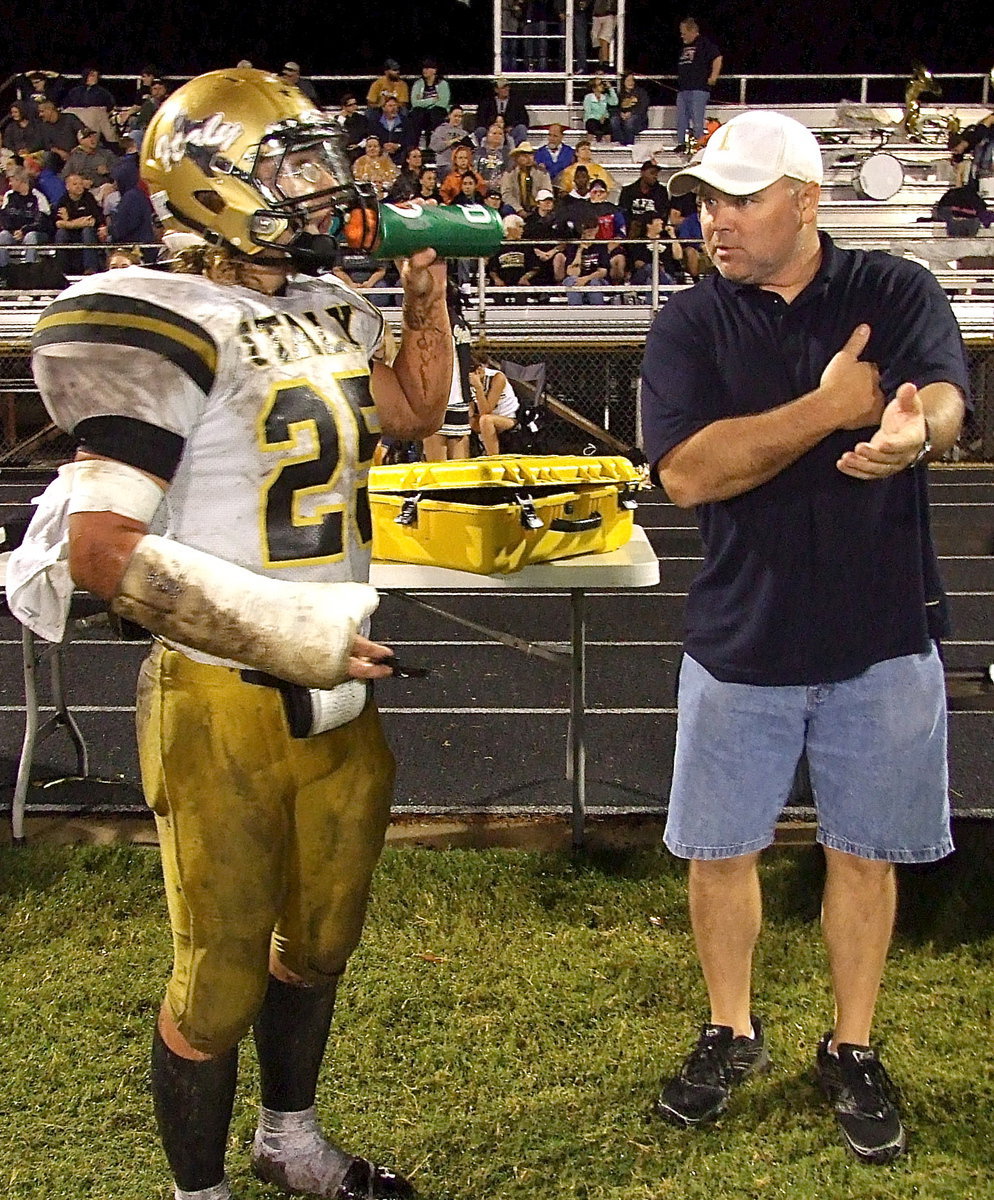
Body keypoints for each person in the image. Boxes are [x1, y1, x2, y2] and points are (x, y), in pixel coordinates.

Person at [10, 67, 451, 1200]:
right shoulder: (157, 317)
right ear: (208, 186)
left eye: (321, 162)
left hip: (338, 682)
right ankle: (194, 1191)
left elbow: (410, 411)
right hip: (221, 693)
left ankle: (288, 1136)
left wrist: (423, 288)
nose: (323, 189)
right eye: (292, 168)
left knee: (323, 941)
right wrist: (278, 632)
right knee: (217, 981)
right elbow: (105, 553)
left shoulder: (327, 301)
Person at [640, 111, 968, 1164]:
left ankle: (852, 1045)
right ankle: (728, 1027)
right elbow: (687, 473)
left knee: (865, 858)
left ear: (806, 200)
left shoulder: (893, 288)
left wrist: (920, 426)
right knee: (717, 853)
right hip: (742, 638)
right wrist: (829, 410)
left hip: (881, 637)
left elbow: (949, 397)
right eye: (705, 199)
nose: (715, 219)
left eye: (738, 198)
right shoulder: (690, 322)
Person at [675, 17, 722, 152]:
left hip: (699, 89)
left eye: (684, 32)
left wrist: (713, 76)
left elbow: (718, 58)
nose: (682, 36)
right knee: (681, 119)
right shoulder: (684, 46)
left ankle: (699, 144)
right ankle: (682, 143)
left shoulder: (704, 44)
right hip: (683, 89)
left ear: (692, 31)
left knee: (697, 119)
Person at [469, 351, 519, 454]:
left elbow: (486, 411)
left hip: (508, 418)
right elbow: (471, 410)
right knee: (463, 421)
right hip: (484, 419)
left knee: (486, 420)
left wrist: (478, 387)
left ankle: (492, 458)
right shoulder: (466, 381)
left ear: (479, 369)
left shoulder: (497, 377)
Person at [409, 60, 451, 148]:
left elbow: (443, 103)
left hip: (437, 111)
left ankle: (432, 145)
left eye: (427, 68)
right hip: (422, 112)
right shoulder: (418, 84)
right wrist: (432, 100)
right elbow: (415, 103)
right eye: (424, 68)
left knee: (435, 113)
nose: (424, 70)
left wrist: (423, 102)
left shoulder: (443, 84)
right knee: (416, 113)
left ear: (434, 70)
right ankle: (414, 145)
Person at [611, 73, 650, 146]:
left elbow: (643, 107)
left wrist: (631, 113)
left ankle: (629, 144)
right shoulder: (620, 94)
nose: (631, 83)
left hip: (638, 118)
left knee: (629, 122)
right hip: (623, 117)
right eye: (628, 80)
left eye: (632, 80)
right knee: (614, 120)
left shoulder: (641, 92)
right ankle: (619, 142)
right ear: (624, 82)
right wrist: (621, 113)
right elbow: (615, 107)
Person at [582, 75, 618, 143]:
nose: (602, 86)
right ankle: (589, 144)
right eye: (599, 84)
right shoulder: (588, 97)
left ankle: (608, 146)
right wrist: (598, 118)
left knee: (607, 124)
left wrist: (610, 88)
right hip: (592, 119)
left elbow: (614, 102)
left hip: (603, 119)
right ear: (594, 88)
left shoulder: (605, 96)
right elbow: (588, 111)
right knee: (591, 123)